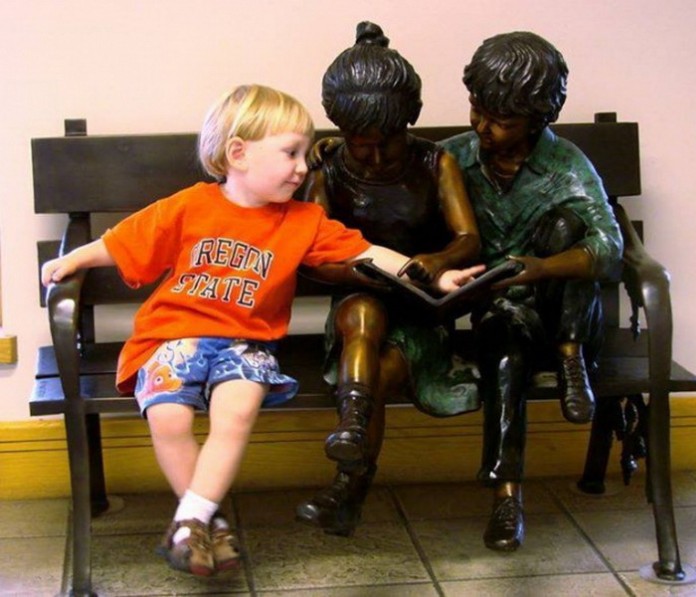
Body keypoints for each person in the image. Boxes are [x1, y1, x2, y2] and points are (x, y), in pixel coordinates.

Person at [40, 84, 483, 577]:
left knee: (238, 408)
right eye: (290, 153)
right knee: (168, 418)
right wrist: (74, 259)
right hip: (171, 336)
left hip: (245, 345)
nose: (303, 166)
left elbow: (366, 252)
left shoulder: (304, 220)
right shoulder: (190, 206)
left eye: (303, 153)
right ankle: (212, 522)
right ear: (238, 154)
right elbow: (124, 241)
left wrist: (433, 273)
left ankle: (190, 520)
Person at [294, 22, 482, 537]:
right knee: (359, 311)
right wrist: (361, 270)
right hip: (362, 298)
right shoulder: (327, 169)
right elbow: (310, 251)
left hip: (423, 311)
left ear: (408, 125)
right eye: (361, 146)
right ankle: (351, 432)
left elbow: (469, 240)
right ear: (342, 133)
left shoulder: (435, 162)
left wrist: (435, 261)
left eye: (388, 145)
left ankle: (349, 484)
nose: (375, 157)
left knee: (377, 371)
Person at [439, 31, 623, 551]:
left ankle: (570, 358)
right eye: (478, 110)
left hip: (563, 312)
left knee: (569, 232)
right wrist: (337, 151)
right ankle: (507, 497)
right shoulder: (454, 157)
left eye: (501, 120)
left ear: (540, 118)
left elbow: (610, 250)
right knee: (503, 358)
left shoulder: (566, 165)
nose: (482, 127)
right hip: (499, 311)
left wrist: (541, 268)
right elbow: (394, 177)